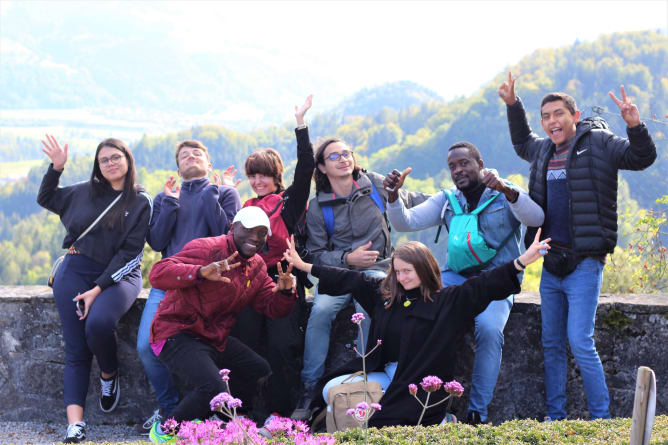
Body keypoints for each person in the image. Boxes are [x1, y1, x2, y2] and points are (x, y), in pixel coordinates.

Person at [497, 72, 657, 420]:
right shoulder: (541, 151)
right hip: (551, 262)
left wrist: (635, 125)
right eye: (546, 116)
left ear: (575, 115)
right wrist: (513, 105)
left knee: (581, 342)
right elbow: (523, 141)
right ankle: (556, 417)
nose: (552, 121)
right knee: (551, 344)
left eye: (559, 113)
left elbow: (641, 158)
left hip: (585, 261)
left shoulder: (599, 143)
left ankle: (601, 419)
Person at [282, 229, 551, 427]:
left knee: (389, 421)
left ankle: (443, 419)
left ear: (424, 269)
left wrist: (522, 261)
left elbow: (484, 285)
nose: (402, 277)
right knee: (331, 390)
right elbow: (349, 279)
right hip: (388, 376)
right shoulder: (387, 297)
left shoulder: (447, 302)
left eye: (408, 271)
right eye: (397, 271)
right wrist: (305, 266)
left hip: (420, 382)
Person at [383, 142, 544, 424]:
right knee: (422, 314)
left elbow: (537, 217)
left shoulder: (505, 191)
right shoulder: (448, 199)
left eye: (464, 163)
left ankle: (477, 412)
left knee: (489, 330)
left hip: (498, 280)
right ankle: (424, 400)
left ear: (480, 163)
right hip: (455, 277)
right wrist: (393, 197)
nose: (458, 170)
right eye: (453, 166)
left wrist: (508, 191)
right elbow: (405, 223)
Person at [291, 136, 427, 421]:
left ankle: (365, 378)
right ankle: (308, 387)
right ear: (321, 166)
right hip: (339, 275)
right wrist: (347, 259)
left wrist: (450, 200)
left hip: (379, 268)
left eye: (346, 153)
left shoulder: (375, 185)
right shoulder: (318, 207)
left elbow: (410, 202)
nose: (343, 159)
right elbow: (315, 254)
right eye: (334, 156)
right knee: (320, 312)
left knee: (369, 310)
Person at [146, 206, 297, 444]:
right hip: (176, 332)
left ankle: (225, 422)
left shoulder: (256, 265)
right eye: (248, 230)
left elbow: (272, 306)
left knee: (257, 368)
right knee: (212, 388)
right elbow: (157, 273)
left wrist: (286, 292)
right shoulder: (208, 248)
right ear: (233, 227)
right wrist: (200, 272)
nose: (255, 238)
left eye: (261, 233)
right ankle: (165, 431)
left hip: (213, 338)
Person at [37, 135, 152, 443]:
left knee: (99, 323)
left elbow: (130, 254)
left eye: (116, 157)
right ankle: (75, 426)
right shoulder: (83, 193)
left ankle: (109, 375)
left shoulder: (140, 201)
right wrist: (56, 168)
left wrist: (97, 289)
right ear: (97, 167)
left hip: (120, 276)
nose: (110, 163)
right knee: (75, 347)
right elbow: (46, 197)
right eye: (104, 160)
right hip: (75, 270)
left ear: (128, 160)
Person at [136, 139, 241, 432]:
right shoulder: (166, 197)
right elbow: (157, 242)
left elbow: (229, 237)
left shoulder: (226, 193)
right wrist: (169, 202)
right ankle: (169, 408)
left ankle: (207, 415)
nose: (190, 157)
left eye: (197, 153)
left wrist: (211, 194)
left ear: (209, 164)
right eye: (184, 155)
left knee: (206, 351)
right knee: (146, 346)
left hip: (210, 288)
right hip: (169, 286)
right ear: (178, 167)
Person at [231, 95, 314, 421]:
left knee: (282, 349)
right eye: (252, 175)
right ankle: (243, 412)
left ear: (275, 175)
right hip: (250, 282)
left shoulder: (288, 202)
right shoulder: (246, 207)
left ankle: (280, 414)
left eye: (263, 174)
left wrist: (300, 124)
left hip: (283, 280)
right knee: (245, 345)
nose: (257, 181)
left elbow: (306, 168)